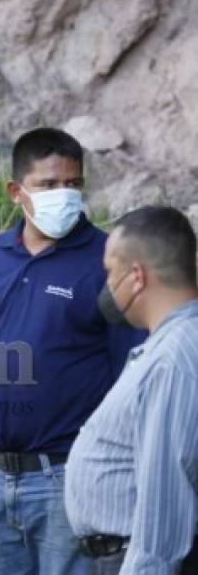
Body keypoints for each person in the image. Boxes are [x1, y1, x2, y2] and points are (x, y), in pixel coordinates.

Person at [0, 127, 147, 575]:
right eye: (48, 185)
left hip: (70, 478)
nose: (63, 195)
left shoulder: (109, 261)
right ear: (17, 191)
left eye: (72, 184)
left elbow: (136, 380)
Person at [66, 206, 198, 574]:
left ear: (137, 275)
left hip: (135, 558)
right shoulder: (170, 345)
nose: (106, 284)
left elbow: (165, 496)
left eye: (110, 271)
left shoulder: (174, 360)